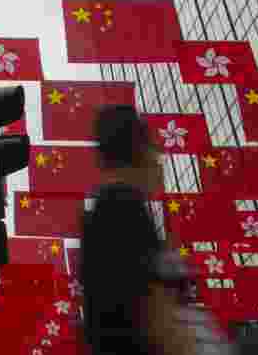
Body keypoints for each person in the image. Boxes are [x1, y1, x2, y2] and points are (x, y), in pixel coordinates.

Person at [81, 105, 195, 355]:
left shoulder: (106, 209)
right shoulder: (123, 209)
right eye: (153, 148)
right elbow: (157, 318)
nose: (158, 157)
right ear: (140, 152)